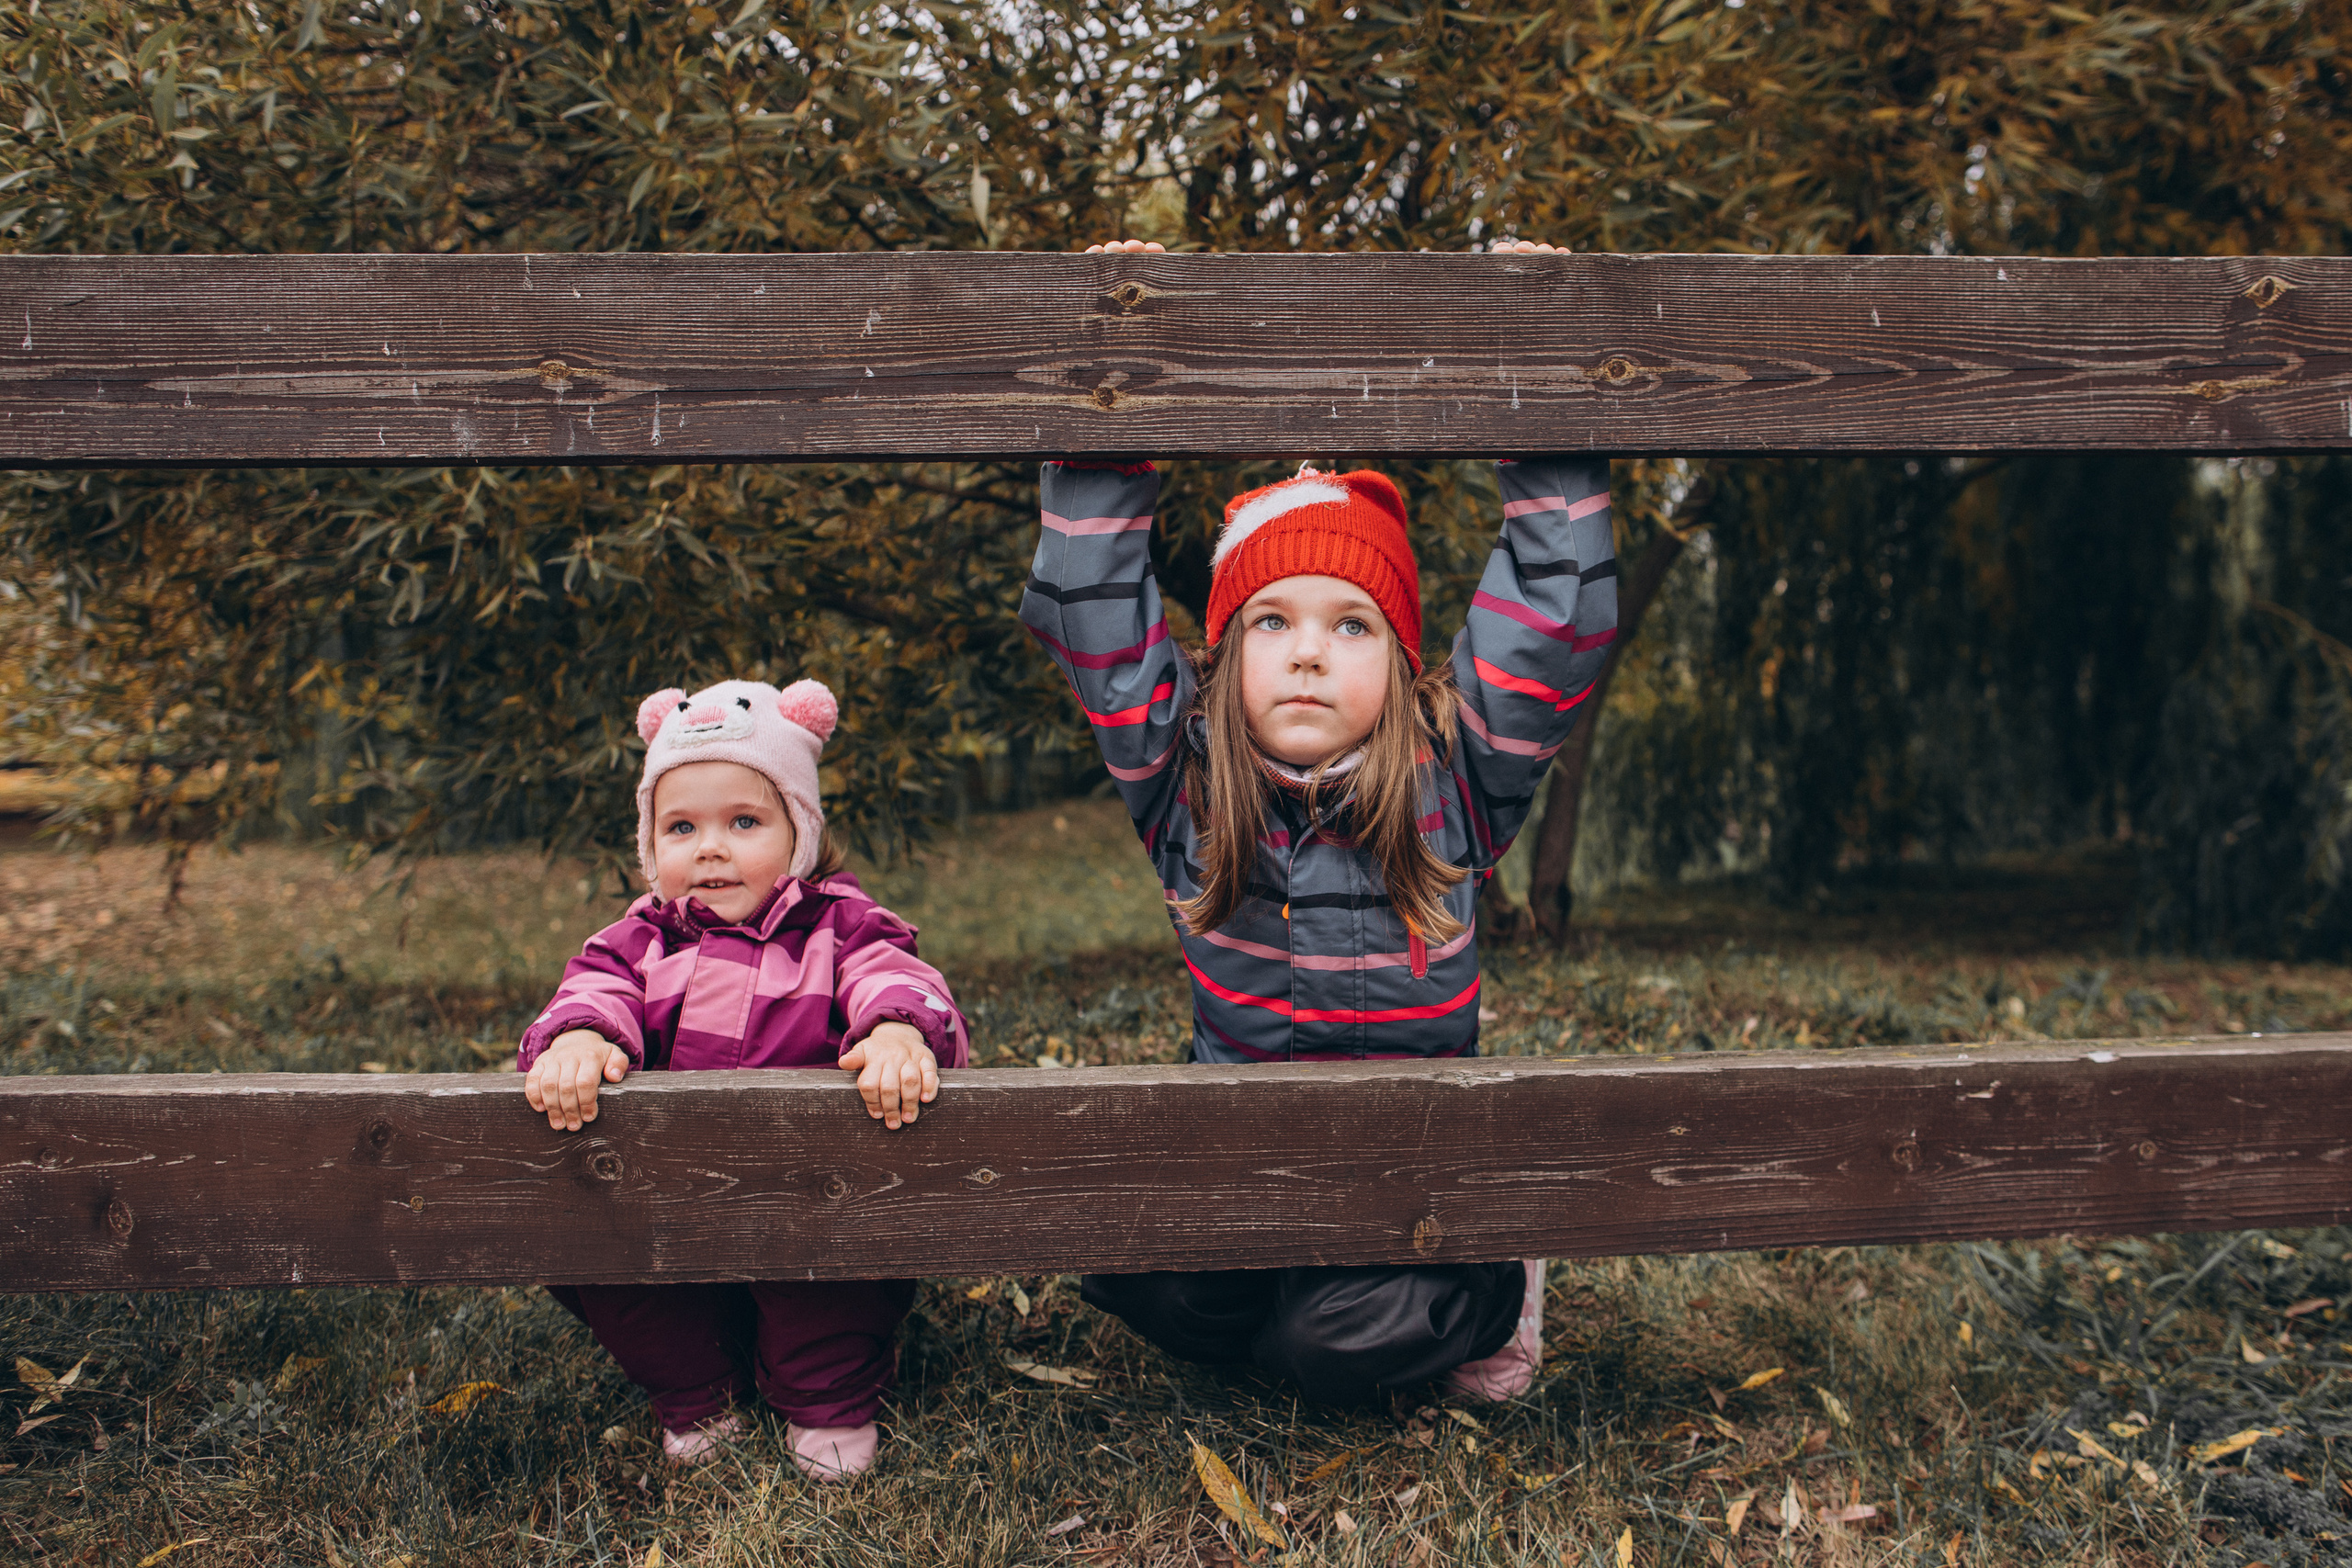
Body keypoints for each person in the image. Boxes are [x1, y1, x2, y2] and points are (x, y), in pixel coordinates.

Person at [1019, 238, 1610, 1407]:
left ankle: (1494, 1282)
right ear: (1224, 656)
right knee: (1150, 1280)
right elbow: (1091, 608)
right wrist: (1119, 349)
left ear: (1398, 661)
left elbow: (1555, 612)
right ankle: (1299, 1291)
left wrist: (1537, 354)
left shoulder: (1456, 778)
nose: (1305, 651)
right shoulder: (1186, 782)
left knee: (1322, 1352)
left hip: (1415, 1176)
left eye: (1350, 625)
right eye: (1272, 622)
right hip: (1253, 1157)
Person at [518, 676, 969, 1481]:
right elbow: (594, 989)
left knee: (828, 1288)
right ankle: (695, 1392)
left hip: (807, 1196)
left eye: (744, 822)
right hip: (666, 1201)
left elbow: (894, 974)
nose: (710, 847)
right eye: (680, 826)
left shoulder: (839, 926)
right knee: (622, 1269)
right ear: (651, 845)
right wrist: (581, 1037)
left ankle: (827, 1398)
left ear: (798, 832)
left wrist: (898, 1026)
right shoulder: (636, 939)